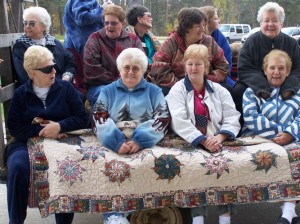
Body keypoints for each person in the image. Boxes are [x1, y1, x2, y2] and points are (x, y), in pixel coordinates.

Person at [6, 45, 86, 224]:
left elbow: (82, 118)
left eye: (54, 66)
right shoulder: (21, 94)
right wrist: (41, 131)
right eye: (47, 68)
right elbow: (15, 128)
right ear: (32, 72)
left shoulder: (66, 88)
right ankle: (15, 221)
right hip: (26, 142)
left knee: (66, 166)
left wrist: (60, 126)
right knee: (17, 167)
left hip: (63, 140)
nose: (54, 71)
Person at [93, 47, 170, 223]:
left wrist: (139, 140)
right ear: (120, 69)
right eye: (126, 67)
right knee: (111, 167)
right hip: (114, 142)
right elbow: (99, 117)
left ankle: (136, 208)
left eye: (136, 68)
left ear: (143, 70)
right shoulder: (107, 91)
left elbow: (163, 118)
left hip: (144, 141)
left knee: (148, 165)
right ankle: (113, 215)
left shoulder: (154, 91)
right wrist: (116, 142)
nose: (130, 72)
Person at [165, 44, 240, 224]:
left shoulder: (220, 90)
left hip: (218, 140)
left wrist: (220, 137)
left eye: (198, 64)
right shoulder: (177, 90)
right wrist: (203, 141)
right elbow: (179, 121)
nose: (193, 68)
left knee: (226, 166)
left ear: (206, 67)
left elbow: (232, 116)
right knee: (195, 169)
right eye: (190, 64)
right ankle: (198, 218)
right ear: (185, 66)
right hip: (189, 141)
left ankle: (225, 218)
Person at [242, 49, 300, 224]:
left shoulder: (297, 93)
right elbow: (251, 117)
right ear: (265, 70)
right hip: (257, 138)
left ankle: (288, 212)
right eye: (272, 67)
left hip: (291, 139)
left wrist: (291, 133)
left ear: (288, 71)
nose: (276, 72)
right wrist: (278, 133)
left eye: (281, 68)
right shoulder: (252, 92)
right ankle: (290, 214)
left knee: (296, 155)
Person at [232, 2, 300, 128]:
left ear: (281, 23)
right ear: (260, 23)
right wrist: (263, 87)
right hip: (256, 84)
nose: (270, 24)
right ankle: (241, 127)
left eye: (275, 20)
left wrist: (287, 86)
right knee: (237, 91)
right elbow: (244, 68)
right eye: (266, 20)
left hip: (285, 82)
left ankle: (292, 127)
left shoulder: (292, 43)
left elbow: (297, 69)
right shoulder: (250, 42)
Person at [149, 7, 229, 96]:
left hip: (205, 84)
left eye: (203, 25)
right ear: (186, 27)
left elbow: (223, 66)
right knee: (163, 92)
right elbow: (159, 69)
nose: (203, 29)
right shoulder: (172, 43)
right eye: (198, 26)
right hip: (176, 87)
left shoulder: (209, 42)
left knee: (227, 89)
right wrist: (184, 85)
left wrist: (202, 81)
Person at [83, 4, 144, 111]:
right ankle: (95, 127)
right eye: (106, 23)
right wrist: (118, 84)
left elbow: (142, 63)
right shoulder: (95, 39)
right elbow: (91, 69)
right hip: (99, 86)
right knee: (104, 96)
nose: (109, 26)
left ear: (123, 23)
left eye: (114, 23)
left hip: (131, 84)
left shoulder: (133, 40)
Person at [13, 6, 76, 85]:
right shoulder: (21, 47)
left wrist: (67, 77)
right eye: (25, 23)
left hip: (63, 85)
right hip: (37, 92)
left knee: (78, 95)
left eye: (32, 23)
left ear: (43, 26)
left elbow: (70, 62)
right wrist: (60, 84)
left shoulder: (54, 42)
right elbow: (25, 77)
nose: (27, 26)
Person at [198, 6, 235, 87]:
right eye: (215, 19)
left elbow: (227, 61)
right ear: (207, 21)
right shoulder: (196, 37)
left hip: (218, 76)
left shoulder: (219, 36)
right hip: (197, 76)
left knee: (234, 90)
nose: (219, 21)